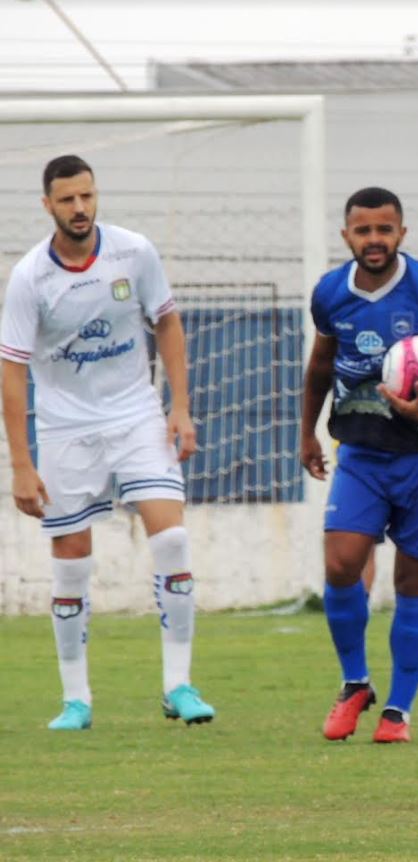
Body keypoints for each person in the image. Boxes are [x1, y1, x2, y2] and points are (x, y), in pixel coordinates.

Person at [1, 154, 215, 730]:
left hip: (135, 416)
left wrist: (180, 406)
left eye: (87, 196)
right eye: (67, 199)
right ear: (48, 205)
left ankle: (179, 685)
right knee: (71, 561)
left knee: (171, 537)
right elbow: (12, 370)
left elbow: (166, 320)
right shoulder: (29, 278)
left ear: (97, 197)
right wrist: (21, 463)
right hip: (66, 430)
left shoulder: (133, 252)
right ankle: (77, 700)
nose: (80, 208)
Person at [300, 186, 418, 744]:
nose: (375, 240)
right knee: (341, 564)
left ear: (401, 233)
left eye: (385, 230)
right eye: (364, 231)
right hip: (361, 453)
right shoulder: (331, 293)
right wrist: (306, 433)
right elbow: (320, 366)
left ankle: (398, 712)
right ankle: (355, 682)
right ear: (347, 236)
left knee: (413, 582)